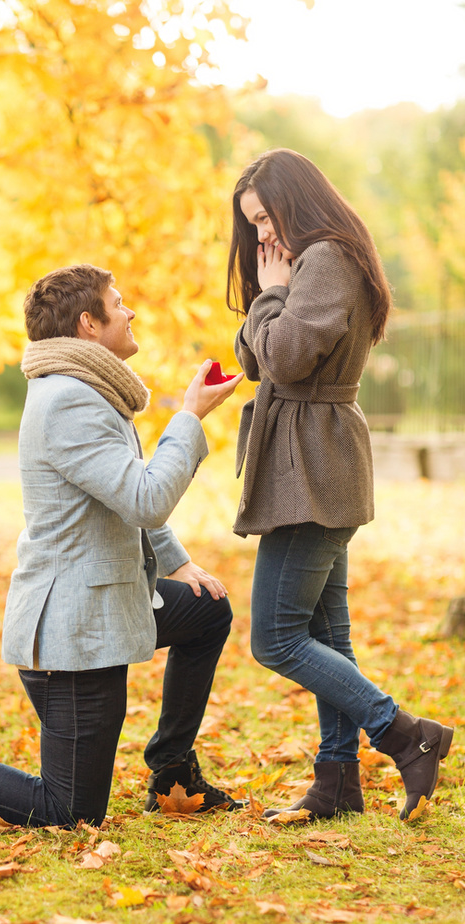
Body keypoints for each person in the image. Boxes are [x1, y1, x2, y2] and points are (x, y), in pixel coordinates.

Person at [0, 264, 245, 827]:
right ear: (88, 322)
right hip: (72, 635)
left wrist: (177, 563)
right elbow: (145, 497)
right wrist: (189, 417)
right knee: (71, 811)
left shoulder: (88, 392)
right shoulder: (69, 402)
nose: (130, 312)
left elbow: (116, 493)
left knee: (207, 612)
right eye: (119, 302)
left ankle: (173, 772)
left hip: (104, 602)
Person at [226, 149, 453, 821]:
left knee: (275, 636)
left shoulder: (325, 258)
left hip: (313, 465)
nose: (262, 235)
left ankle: (405, 734)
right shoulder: (306, 263)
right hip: (312, 460)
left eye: (266, 217)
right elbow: (253, 358)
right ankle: (337, 783)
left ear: (295, 201)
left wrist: (272, 294)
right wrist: (270, 293)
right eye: (252, 224)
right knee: (328, 634)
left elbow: (287, 358)